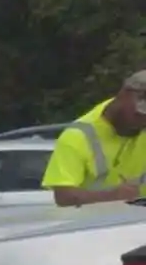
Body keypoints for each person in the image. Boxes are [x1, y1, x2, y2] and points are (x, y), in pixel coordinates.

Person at [42, 69, 146, 206]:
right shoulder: (77, 136)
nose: (143, 123)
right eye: (139, 115)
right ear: (124, 95)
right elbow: (63, 197)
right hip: (93, 223)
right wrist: (113, 195)